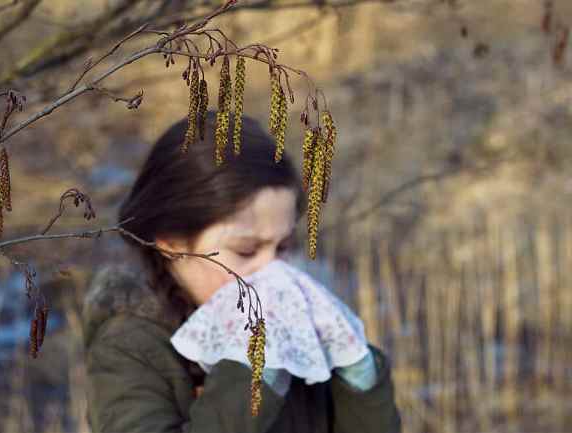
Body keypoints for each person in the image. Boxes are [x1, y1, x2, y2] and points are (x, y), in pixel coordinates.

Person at [82, 111, 402, 433]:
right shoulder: (131, 347)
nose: (270, 269)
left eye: (282, 247)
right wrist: (251, 375)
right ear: (172, 243)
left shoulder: (294, 323)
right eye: (246, 251)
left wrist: (362, 383)